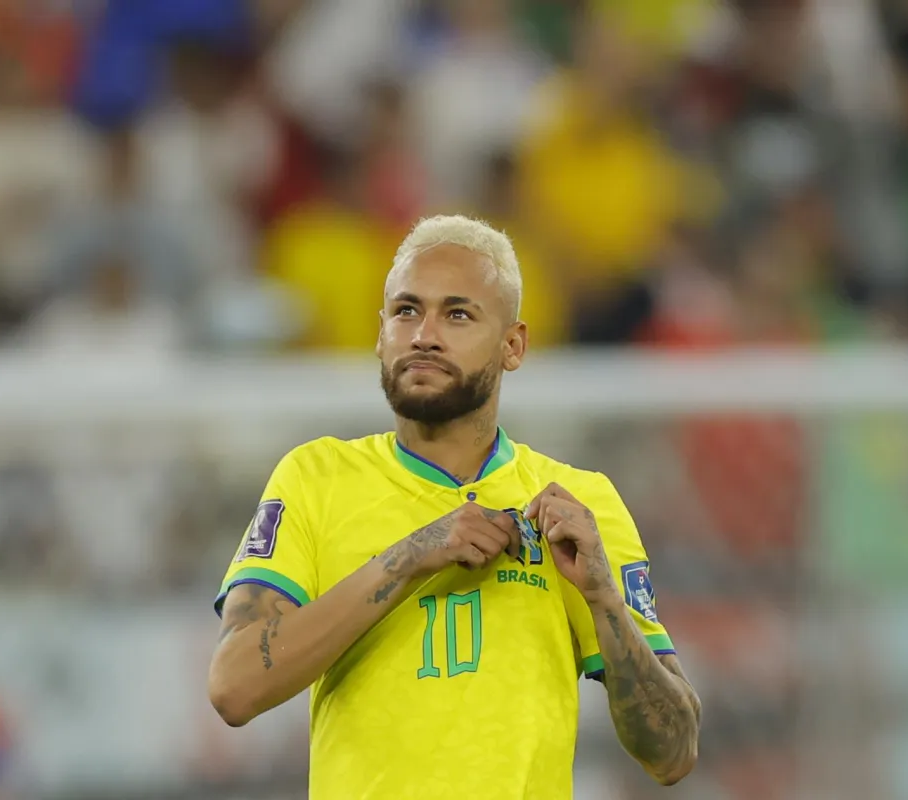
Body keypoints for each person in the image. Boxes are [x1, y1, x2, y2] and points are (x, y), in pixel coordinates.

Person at [207, 215, 701, 798]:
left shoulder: (576, 503)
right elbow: (233, 688)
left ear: (513, 345)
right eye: (406, 311)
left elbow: (673, 753)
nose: (424, 335)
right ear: (381, 333)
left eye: (458, 314)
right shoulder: (315, 477)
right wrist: (413, 555)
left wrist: (603, 600)